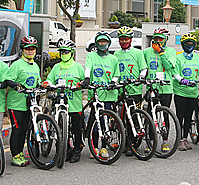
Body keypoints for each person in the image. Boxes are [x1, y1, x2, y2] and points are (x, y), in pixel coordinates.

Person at [46, 39, 85, 163]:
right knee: (62, 128)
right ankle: (66, 149)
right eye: (61, 52)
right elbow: (50, 79)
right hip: (60, 103)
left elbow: (85, 81)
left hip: (74, 104)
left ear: (72, 52)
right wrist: (47, 84)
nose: (64, 54)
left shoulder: (78, 67)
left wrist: (81, 84)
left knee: (76, 128)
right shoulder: (56, 67)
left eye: (66, 52)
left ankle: (77, 150)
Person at [83, 31, 120, 159]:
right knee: (94, 121)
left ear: (108, 43)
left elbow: (116, 74)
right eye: (100, 42)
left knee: (104, 121)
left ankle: (104, 147)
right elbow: (88, 67)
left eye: (104, 42)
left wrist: (113, 83)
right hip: (95, 93)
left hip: (108, 94)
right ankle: (94, 147)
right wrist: (87, 78)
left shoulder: (113, 58)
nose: (102, 44)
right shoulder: (91, 56)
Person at [5, 36, 41, 167]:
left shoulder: (35, 65)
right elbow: (8, 80)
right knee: (17, 129)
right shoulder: (17, 65)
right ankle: (15, 155)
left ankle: (20, 152)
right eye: (27, 49)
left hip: (29, 104)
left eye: (32, 49)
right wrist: (17, 86)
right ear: (22, 50)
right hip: (17, 103)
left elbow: (38, 82)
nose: (30, 51)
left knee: (25, 129)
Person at [143, 27, 176, 153]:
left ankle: (165, 141)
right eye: (155, 38)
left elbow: (168, 67)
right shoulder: (147, 52)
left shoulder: (171, 52)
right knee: (151, 115)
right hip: (152, 86)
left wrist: (161, 53)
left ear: (166, 40)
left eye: (160, 39)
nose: (157, 41)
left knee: (165, 114)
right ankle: (151, 141)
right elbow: (144, 68)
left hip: (166, 87)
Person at [114, 26, 148, 107]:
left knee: (135, 116)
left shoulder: (138, 53)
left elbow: (143, 68)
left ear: (131, 39)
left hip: (135, 90)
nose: (124, 41)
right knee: (120, 116)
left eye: (126, 39)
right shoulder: (116, 54)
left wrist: (141, 77)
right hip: (121, 89)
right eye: (121, 39)